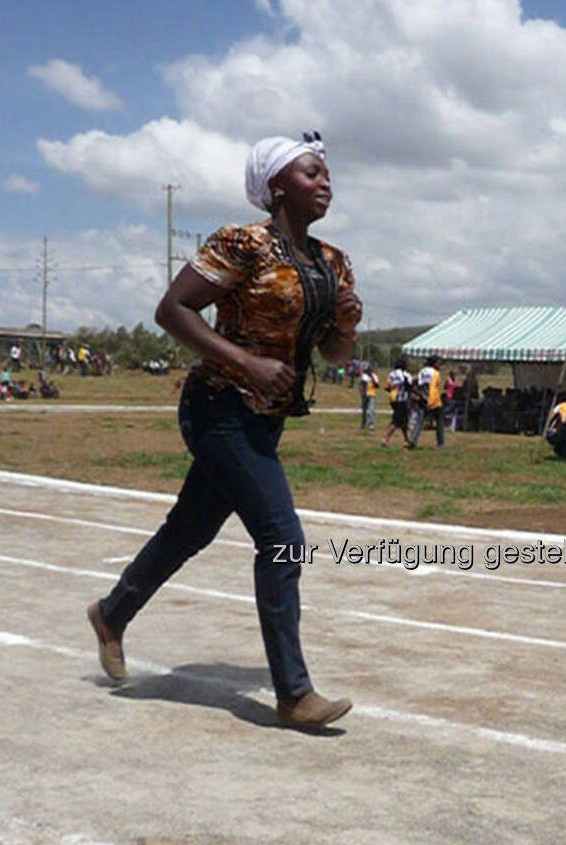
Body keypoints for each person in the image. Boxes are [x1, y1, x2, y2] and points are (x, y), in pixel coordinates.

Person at [86, 131, 362, 732]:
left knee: (189, 530)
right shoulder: (242, 243)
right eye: (311, 173)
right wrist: (247, 362)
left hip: (264, 420)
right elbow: (173, 310)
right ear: (277, 186)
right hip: (216, 406)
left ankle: (112, 613)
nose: (326, 183)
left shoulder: (330, 262)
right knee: (281, 536)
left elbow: (337, 352)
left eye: (326, 175)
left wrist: (345, 329)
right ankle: (293, 693)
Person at [408, 355, 445, 448]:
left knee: (419, 422)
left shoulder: (422, 371)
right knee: (439, 422)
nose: (440, 365)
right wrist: (431, 402)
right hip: (434, 401)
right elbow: (433, 388)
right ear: (434, 363)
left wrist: (419, 396)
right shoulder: (436, 373)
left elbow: (416, 384)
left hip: (423, 399)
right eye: (439, 363)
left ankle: (413, 440)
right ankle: (441, 443)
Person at [383, 356, 413, 447]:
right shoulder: (406, 375)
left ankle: (406, 440)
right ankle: (386, 439)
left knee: (403, 421)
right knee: (397, 421)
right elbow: (410, 386)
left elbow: (387, 387)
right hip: (402, 399)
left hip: (393, 398)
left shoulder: (391, 374)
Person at [359, 361, 379, 431]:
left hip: (371, 394)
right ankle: (363, 424)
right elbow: (361, 385)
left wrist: (371, 377)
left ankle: (371, 425)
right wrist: (361, 392)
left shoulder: (374, 376)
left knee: (371, 410)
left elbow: (377, 386)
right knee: (364, 410)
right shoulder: (363, 376)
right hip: (365, 395)